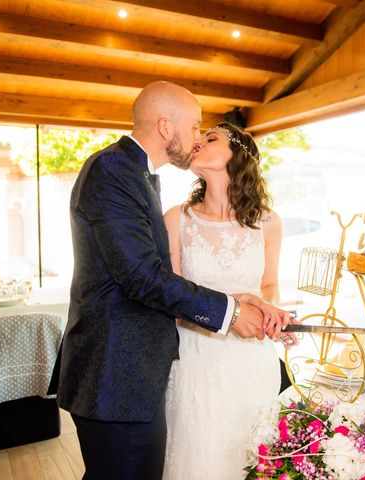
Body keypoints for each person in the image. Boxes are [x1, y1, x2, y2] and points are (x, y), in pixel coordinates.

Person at [56, 81, 290, 479]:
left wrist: (250, 300)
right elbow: (143, 278)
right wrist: (232, 311)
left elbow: (155, 279)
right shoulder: (114, 170)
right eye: (197, 127)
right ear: (167, 127)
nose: (198, 138)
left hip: (141, 373)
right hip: (117, 371)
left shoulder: (139, 175)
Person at [162, 123, 294, 478]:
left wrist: (265, 306)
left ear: (237, 155)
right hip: (195, 357)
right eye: (199, 138)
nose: (198, 142)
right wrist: (236, 304)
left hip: (251, 358)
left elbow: (271, 283)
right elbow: (170, 297)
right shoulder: (178, 219)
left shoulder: (268, 222)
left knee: (251, 456)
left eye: (211, 138)